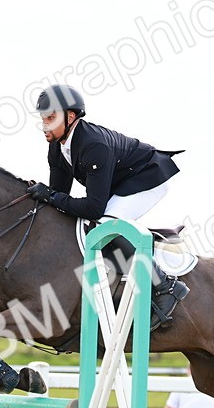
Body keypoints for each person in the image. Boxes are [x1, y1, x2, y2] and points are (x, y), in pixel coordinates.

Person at [25, 84, 190, 330]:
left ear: (70, 117)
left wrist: (49, 195)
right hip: (122, 182)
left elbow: (93, 208)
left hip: (149, 177)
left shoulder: (93, 145)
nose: (45, 126)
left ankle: (165, 286)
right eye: (43, 119)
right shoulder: (57, 147)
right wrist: (44, 197)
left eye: (51, 118)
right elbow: (59, 197)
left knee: (105, 224)